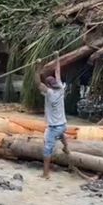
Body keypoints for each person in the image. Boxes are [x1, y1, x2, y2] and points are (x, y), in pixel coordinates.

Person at [35, 51, 70, 179]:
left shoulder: (49, 93)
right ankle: (66, 147)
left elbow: (38, 83)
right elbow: (58, 71)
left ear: (48, 86)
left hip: (54, 127)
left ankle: (45, 174)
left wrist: (37, 67)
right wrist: (56, 57)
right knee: (60, 133)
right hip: (63, 125)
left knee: (47, 150)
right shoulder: (61, 88)